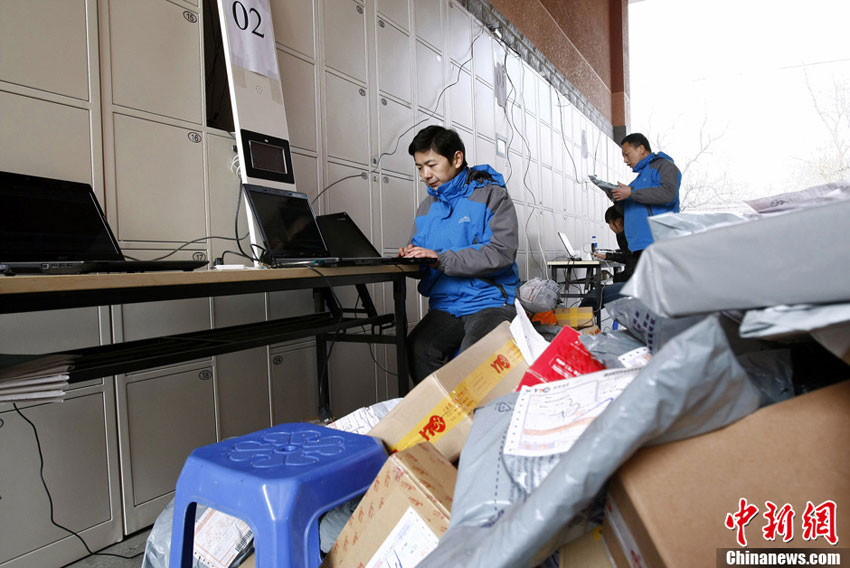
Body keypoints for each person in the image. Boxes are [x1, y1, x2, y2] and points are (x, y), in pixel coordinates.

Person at [399, 125, 520, 384]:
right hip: (445, 307)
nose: (425, 175)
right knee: (417, 349)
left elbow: (501, 253)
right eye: (419, 167)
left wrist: (440, 259)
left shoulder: (493, 197)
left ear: (456, 159)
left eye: (431, 164)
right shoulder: (426, 207)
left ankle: (471, 420)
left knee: (471, 364)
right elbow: (423, 254)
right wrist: (413, 258)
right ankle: (441, 416)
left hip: (489, 303)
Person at [611, 133, 681, 259]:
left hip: (658, 243)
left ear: (641, 149)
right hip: (638, 246)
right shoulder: (637, 181)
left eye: (626, 154)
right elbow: (627, 211)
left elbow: (669, 194)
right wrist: (617, 198)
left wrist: (631, 193)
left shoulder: (664, 166)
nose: (625, 160)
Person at [580, 206, 634, 308]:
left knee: (591, 297)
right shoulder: (630, 233)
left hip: (635, 286)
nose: (610, 227)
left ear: (617, 221)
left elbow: (632, 267)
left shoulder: (629, 236)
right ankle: (588, 322)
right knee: (594, 295)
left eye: (609, 223)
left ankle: (580, 322)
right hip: (638, 283)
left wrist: (616, 278)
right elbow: (628, 257)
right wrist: (607, 256)